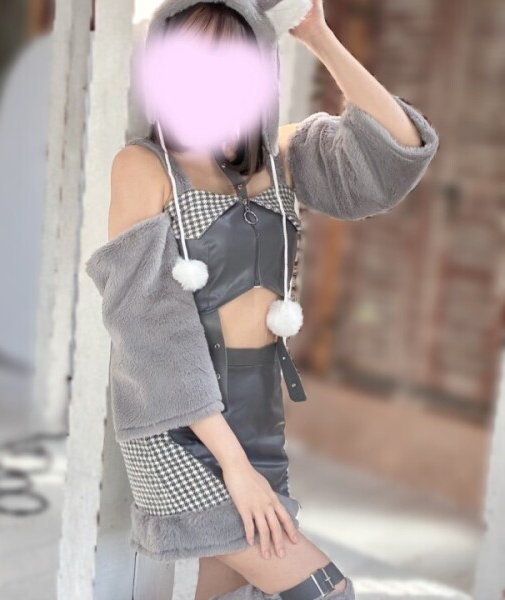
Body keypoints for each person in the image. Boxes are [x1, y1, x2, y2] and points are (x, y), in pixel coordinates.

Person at [85, 1, 439, 598]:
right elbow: (150, 336)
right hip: (181, 429)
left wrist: (320, 37)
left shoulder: (280, 157)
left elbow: (394, 154)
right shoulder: (143, 167)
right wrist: (234, 466)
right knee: (325, 590)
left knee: (226, 591)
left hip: (257, 414)